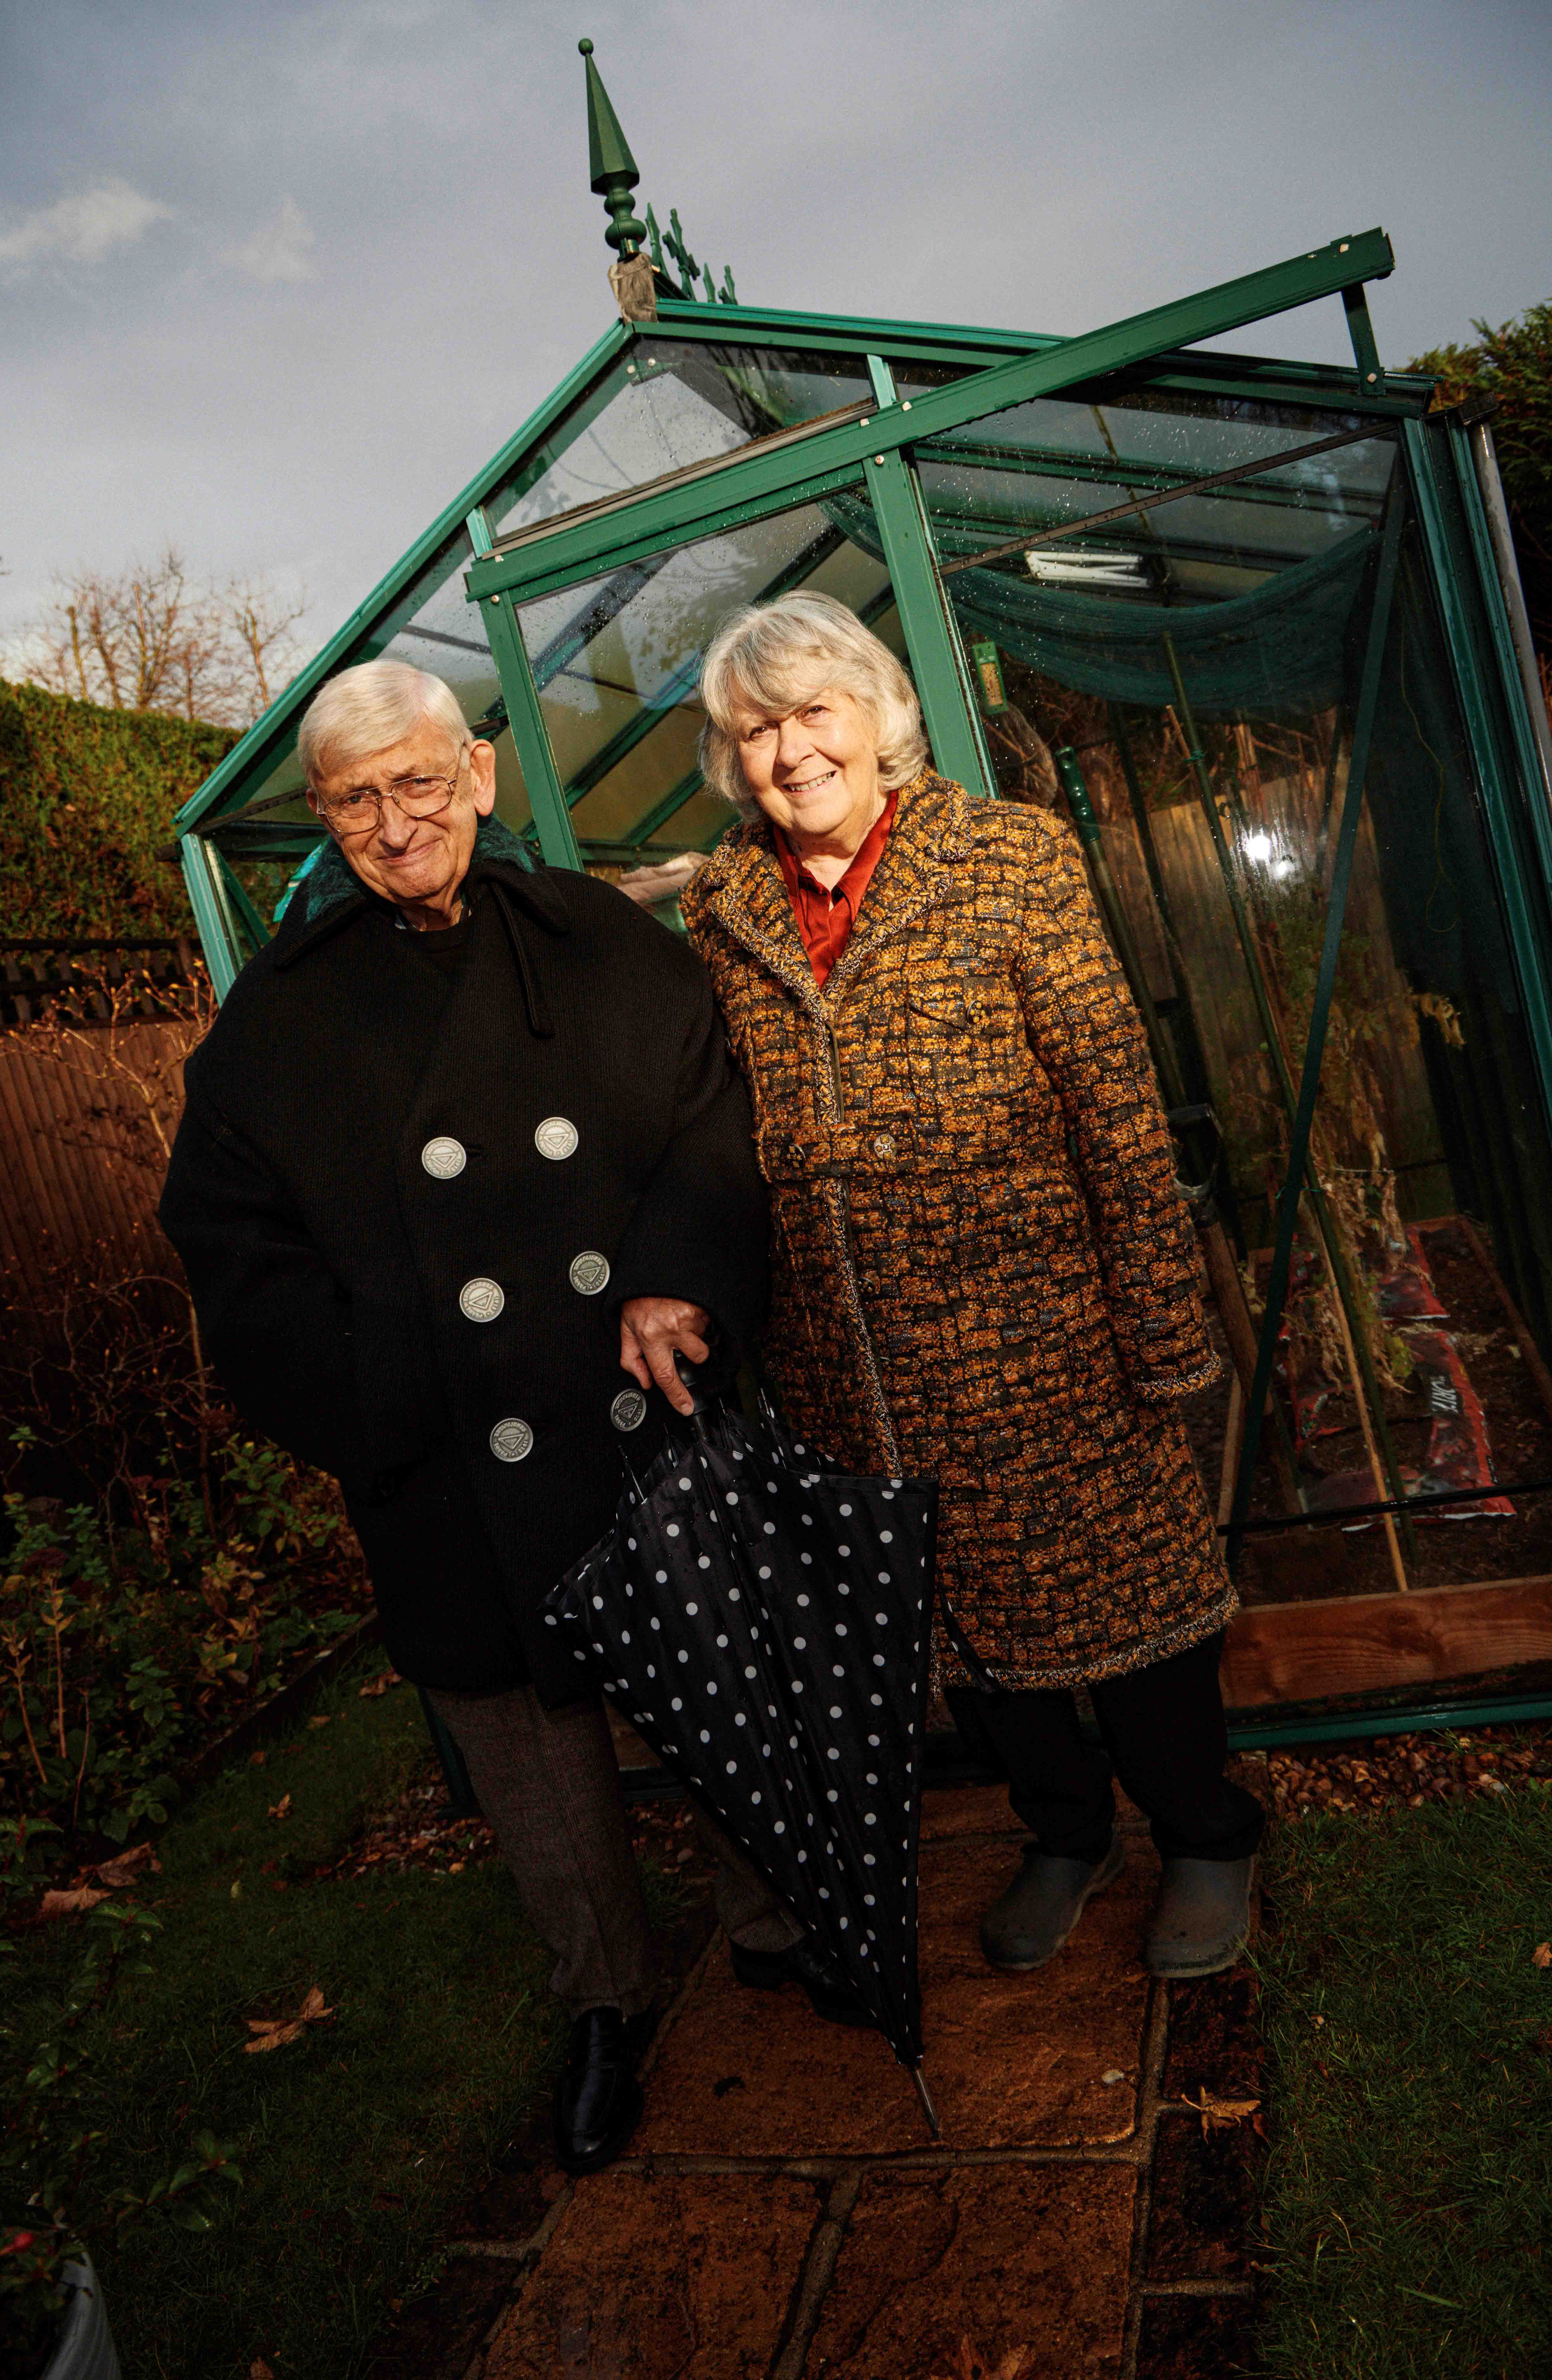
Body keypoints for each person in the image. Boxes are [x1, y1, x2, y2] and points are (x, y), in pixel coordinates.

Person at [158, 659, 858, 2180]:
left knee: (711, 1675)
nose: (399, 822)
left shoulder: (603, 943)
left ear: (478, 776)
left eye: (421, 782)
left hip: (636, 1409)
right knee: (531, 1751)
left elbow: (708, 1119)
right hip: (447, 1455)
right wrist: (377, 1399)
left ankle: (779, 1921)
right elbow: (228, 1250)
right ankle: (602, 1997)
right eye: (359, 799)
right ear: (325, 822)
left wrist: (678, 1281)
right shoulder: (277, 1023)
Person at [681, 593, 1263, 1981]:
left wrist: (1162, 1331)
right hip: (851, 1357)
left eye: (814, 709)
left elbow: (1113, 1099)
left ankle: (1203, 1830)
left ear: (879, 715)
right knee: (953, 1619)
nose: (790, 749)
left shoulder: (1007, 857)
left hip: (1046, 1332)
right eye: (755, 729)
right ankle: (1064, 1832)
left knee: (1128, 1602)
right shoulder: (723, 906)